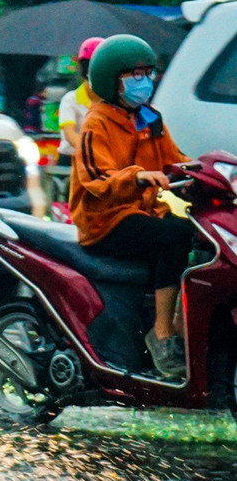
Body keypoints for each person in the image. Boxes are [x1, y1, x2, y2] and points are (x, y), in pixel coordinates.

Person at [70, 34, 191, 377]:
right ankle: (162, 333)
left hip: (140, 214)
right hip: (104, 221)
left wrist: (205, 172)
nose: (144, 81)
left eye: (147, 72)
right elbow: (97, 178)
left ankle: (182, 325)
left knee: (197, 237)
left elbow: (176, 160)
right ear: (111, 80)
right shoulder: (96, 123)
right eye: (134, 75)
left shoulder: (150, 118)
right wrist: (137, 177)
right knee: (171, 237)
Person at [56, 37, 103, 168]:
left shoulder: (112, 101)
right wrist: (92, 152)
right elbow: (69, 133)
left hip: (102, 162)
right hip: (71, 161)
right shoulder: (70, 99)